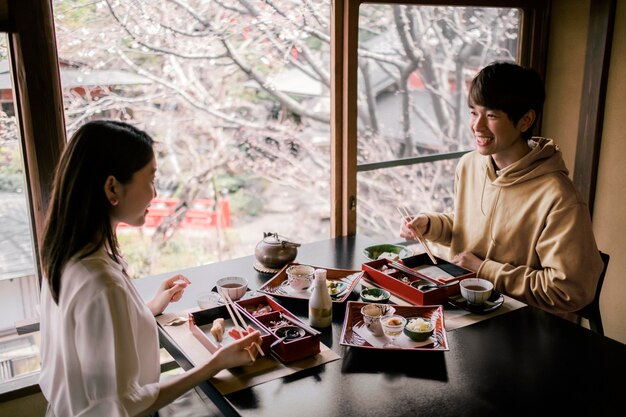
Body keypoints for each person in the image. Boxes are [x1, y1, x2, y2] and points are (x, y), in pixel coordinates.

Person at [39, 120, 262, 417]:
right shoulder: (102, 283)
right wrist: (215, 363)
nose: (155, 193)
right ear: (112, 186)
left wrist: (150, 307)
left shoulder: (65, 255)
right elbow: (125, 405)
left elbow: (97, 337)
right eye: (150, 178)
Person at [400, 61, 604, 320]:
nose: (477, 126)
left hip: (523, 325)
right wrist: (430, 225)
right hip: (464, 310)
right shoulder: (470, 165)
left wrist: (484, 270)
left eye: (492, 115)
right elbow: (468, 224)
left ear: (525, 120)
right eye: (474, 113)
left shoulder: (558, 197)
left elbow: (569, 290)